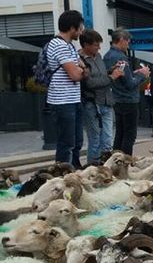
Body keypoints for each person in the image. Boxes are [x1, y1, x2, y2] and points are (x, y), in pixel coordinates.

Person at [46, 10, 87, 167]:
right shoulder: (59, 45)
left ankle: (75, 171)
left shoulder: (69, 46)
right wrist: (81, 69)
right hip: (62, 101)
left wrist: (81, 69)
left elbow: (83, 69)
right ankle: (62, 175)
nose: (82, 31)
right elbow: (75, 75)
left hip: (73, 99)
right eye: (80, 27)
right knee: (66, 143)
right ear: (72, 28)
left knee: (77, 142)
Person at [103, 28, 150, 156]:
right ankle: (125, 162)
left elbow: (123, 77)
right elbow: (130, 84)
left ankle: (115, 159)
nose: (128, 44)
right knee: (129, 134)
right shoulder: (121, 57)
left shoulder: (107, 55)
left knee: (120, 133)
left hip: (116, 98)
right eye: (128, 41)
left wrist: (134, 73)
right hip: (128, 100)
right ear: (122, 40)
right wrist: (143, 75)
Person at [79, 29, 123, 164]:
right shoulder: (79, 60)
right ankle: (93, 168)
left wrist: (111, 69)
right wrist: (112, 77)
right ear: (86, 45)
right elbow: (90, 83)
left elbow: (101, 74)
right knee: (95, 140)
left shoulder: (98, 56)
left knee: (108, 140)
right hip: (92, 104)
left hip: (106, 101)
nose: (99, 48)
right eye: (96, 45)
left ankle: (106, 168)